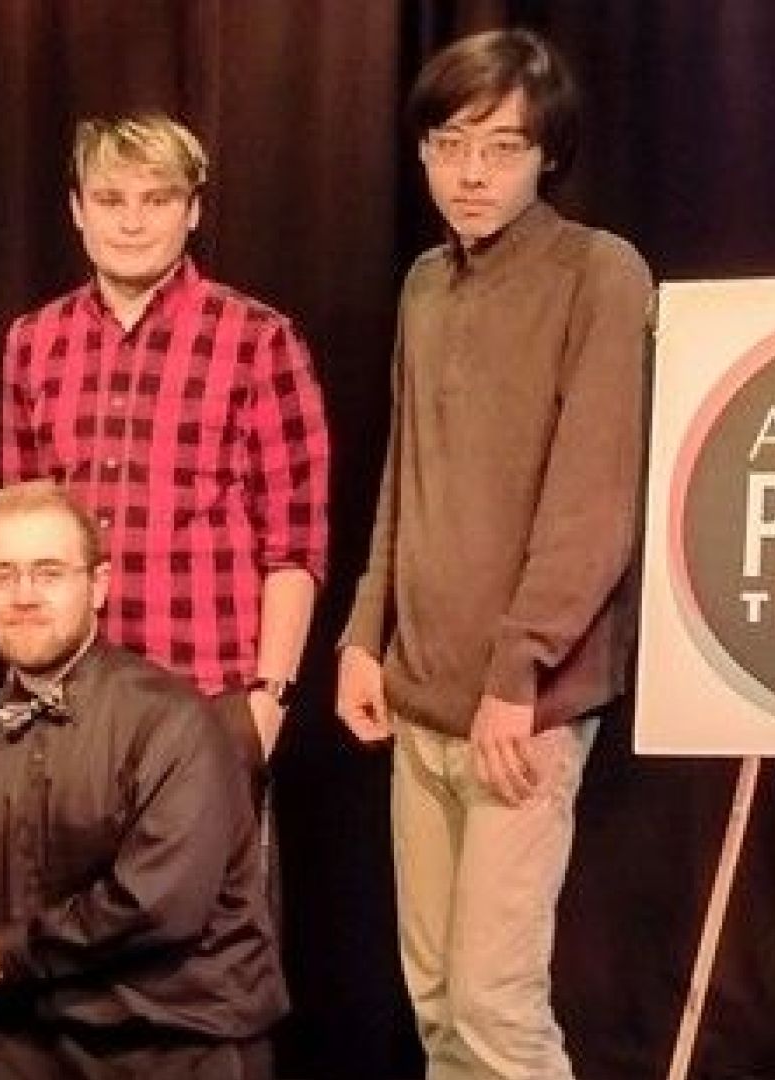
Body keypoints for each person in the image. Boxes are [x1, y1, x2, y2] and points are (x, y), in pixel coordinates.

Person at [334, 29, 654, 1080]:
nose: (471, 172)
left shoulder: (598, 272)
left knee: (493, 1006)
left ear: (546, 153)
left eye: (502, 147)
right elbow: (405, 473)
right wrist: (363, 633)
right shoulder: (426, 284)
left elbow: (594, 501)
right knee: (435, 1000)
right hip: (419, 690)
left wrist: (520, 669)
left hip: (525, 705)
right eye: (450, 143)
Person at [0, 479, 283, 1080]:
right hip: (43, 1038)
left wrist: (6, 953)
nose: (24, 595)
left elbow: (159, 906)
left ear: (98, 585)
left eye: (49, 572)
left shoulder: (175, 722)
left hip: (174, 1037)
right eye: (2, 575)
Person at [0, 113, 330, 767]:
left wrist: (269, 699)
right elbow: (23, 534)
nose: (131, 222)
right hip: (68, 693)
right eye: (110, 200)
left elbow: (294, 546)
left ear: (193, 210)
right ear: (77, 210)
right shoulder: (33, 342)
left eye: (156, 200)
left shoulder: (258, 340)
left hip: (208, 695)